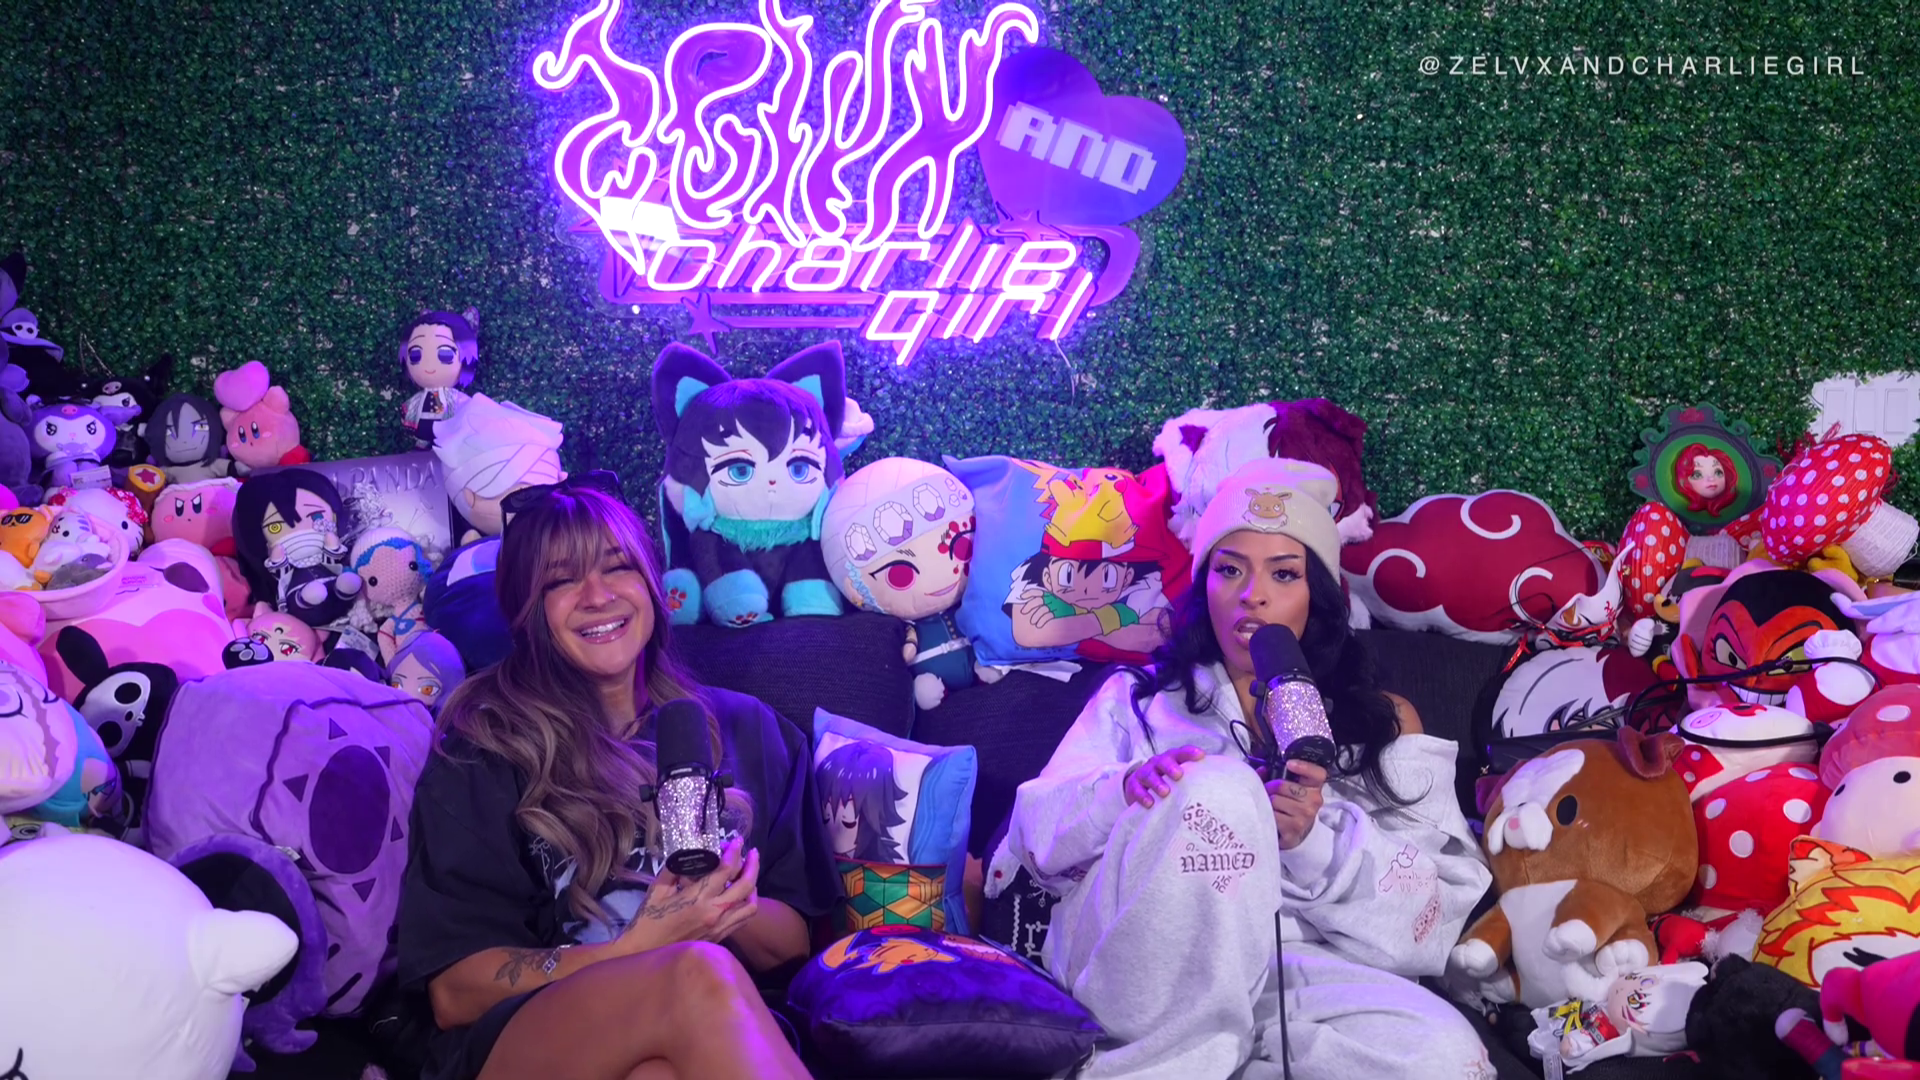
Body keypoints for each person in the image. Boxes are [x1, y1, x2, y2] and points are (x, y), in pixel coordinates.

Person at [994, 457, 1498, 1079]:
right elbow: (1034, 840)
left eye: (1283, 573)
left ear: (1317, 595)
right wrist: (1124, 793)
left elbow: (1433, 919)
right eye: (1229, 569)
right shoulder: (1138, 701)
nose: (1251, 594)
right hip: (1156, 961)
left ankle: (1229, 1061)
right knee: (1221, 789)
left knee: (1446, 1058)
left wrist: (1312, 844)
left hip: (1305, 969)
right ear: (1204, 584)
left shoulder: (1385, 723)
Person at [396, 480, 836, 1080]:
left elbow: (794, 947)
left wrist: (711, 897)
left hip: (709, 1030)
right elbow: (454, 993)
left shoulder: (751, 730)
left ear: (651, 583)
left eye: (617, 567)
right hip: (528, 1042)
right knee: (695, 970)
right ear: (528, 612)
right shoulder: (485, 749)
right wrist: (640, 946)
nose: (597, 596)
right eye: (560, 581)